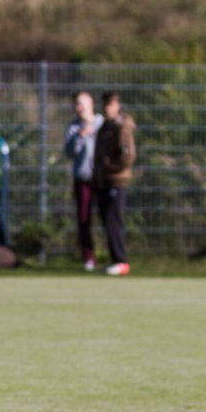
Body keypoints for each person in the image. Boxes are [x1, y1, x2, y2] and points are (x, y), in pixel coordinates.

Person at [92, 91, 136, 276]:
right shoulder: (105, 127)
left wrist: (109, 167)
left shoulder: (122, 127)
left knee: (113, 221)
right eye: (105, 104)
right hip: (104, 181)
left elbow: (128, 156)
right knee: (106, 221)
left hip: (117, 181)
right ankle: (115, 259)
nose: (106, 108)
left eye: (110, 104)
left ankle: (121, 261)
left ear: (118, 105)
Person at [63, 91, 103, 271]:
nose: (77, 107)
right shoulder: (74, 127)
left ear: (90, 103)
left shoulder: (102, 123)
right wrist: (81, 135)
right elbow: (70, 152)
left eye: (80, 103)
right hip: (82, 179)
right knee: (84, 219)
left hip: (102, 179)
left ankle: (115, 256)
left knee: (108, 217)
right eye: (75, 104)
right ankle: (89, 257)